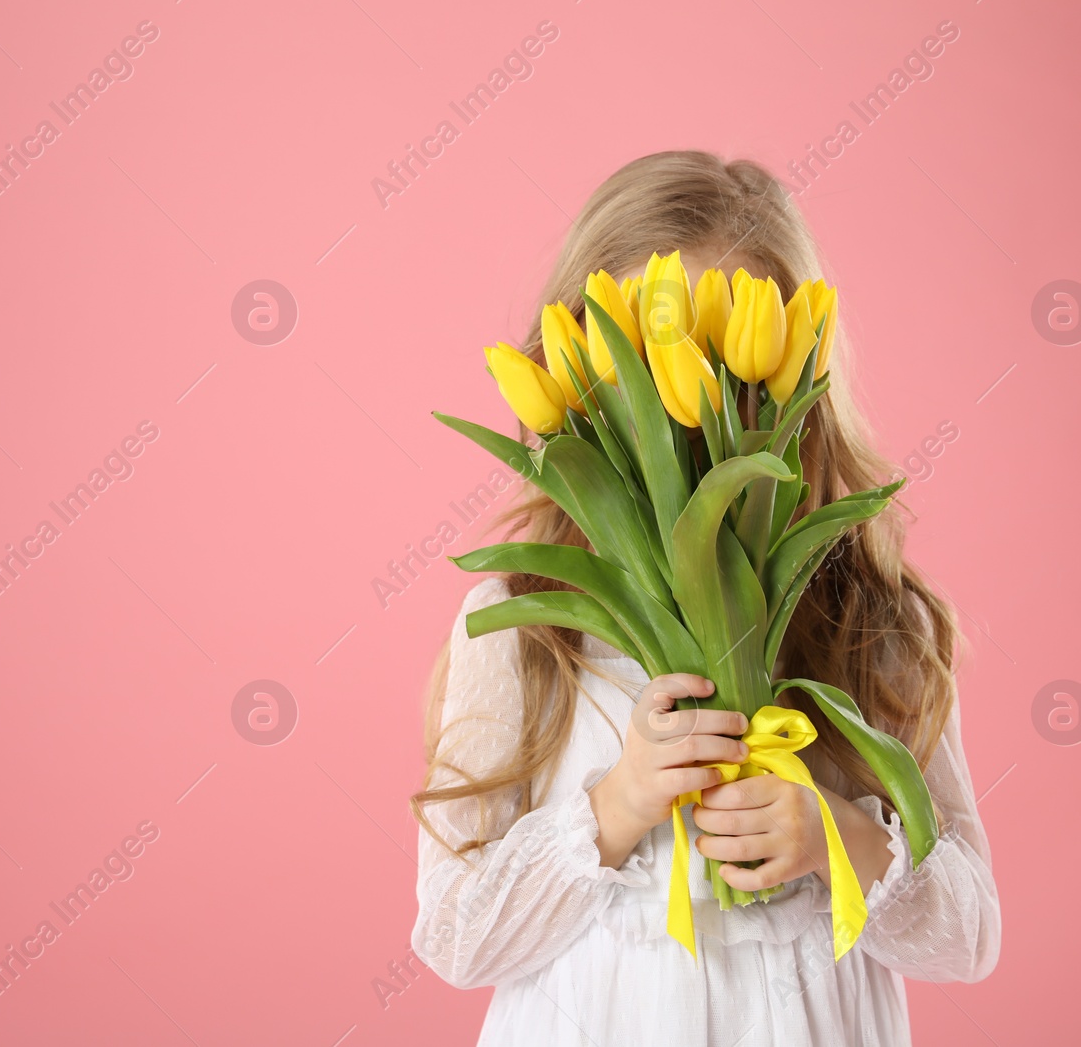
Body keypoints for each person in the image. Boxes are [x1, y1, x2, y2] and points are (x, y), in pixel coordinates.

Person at [408, 151, 1000, 1046]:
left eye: (733, 366)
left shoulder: (869, 616)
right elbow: (454, 934)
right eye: (649, 363)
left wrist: (842, 837)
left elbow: (972, 936)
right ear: (580, 366)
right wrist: (616, 807)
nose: (689, 415)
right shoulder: (527, 618)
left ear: (801, 370)